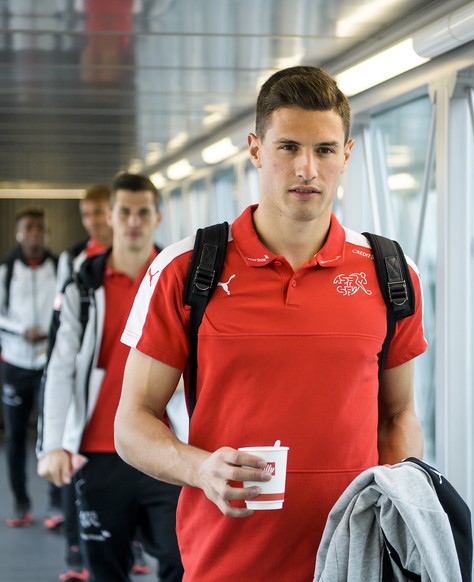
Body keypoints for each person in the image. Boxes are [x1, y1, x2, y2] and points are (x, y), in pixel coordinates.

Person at [114, 65, 427, 581]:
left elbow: (397, 418)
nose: (307, 168)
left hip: (353, 566)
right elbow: (132, 423)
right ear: (256, 150)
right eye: (288, 148)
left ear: (346, 156)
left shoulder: (392, 273)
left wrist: (403, 510)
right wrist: (200, 469)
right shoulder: (186, 269)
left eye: (325, 150)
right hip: (225, 565)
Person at [37, 173, 183, 582]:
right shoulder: (84, 285)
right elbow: (60, 366)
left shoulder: (182, 281)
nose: (133, 221)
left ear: (157, 217)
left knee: (182, 562)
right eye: (125, 212)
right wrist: (52, 445)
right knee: (105, 569)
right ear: (110, 217)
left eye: (142, 212)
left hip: (168, 449)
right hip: (99, 451)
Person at [0, 206, 59, 527]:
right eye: (29, 228)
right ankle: (21, 503)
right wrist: (21, 332)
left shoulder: (58, 267)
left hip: (49, 364)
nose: (35, 233)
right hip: (16, 363)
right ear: (19, 233)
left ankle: (55, 505)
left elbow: (65, 309)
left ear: (45, 232)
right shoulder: (6, 271)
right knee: (16, 436)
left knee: (51, 433)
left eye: (40, 227)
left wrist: (50, 331)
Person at [55, 184, 113, 293]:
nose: (91, 221)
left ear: (113, 212)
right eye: (86, 215)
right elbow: (63, 305)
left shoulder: (133, 256)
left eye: (98, 212)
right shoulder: (70, 259)